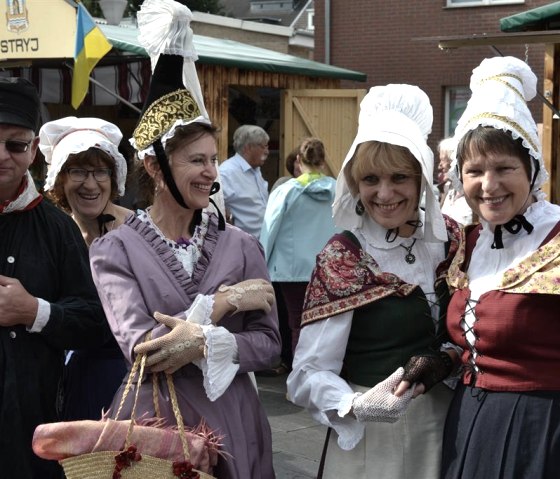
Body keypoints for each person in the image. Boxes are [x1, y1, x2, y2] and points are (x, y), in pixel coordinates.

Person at [89, 1, 280, 477]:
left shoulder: (240, 244)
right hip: (158, 423)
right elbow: (145, 349)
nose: (210, 173)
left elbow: (271, 345)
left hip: (235, 418)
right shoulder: (113, 250)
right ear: (154, 167)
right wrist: (224, 304)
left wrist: (209, 344)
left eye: (214, 159)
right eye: (196, 160)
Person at [286, 84, 461, 478]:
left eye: (399, 177)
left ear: (421, 178)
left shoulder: (452, 239)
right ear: (354, 184)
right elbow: (306, 375)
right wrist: (353, 405)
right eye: (370, 179)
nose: (385, 193)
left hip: (447, 429)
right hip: (372, 442)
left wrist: (446, 358)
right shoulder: (343, 255)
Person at [441, 56, 560, 478]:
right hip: (468, 425)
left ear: (531, 168)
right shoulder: (466, 243)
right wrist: (442, 360)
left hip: (543, 432)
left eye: (505, 168)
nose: (488, 186)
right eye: (474, 171)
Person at [0, 78, 106, 477]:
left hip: (32, 426)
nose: (2, 156)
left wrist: (34, 312)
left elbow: (93, 322)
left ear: (33, 152)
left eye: (15, 145)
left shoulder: (58, 229)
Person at [39, 117, 131, 421]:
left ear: (113, 176)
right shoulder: (52, 235)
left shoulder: (138, 229)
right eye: (77, 171)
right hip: (69, 378)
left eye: (100, 171)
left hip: (132, 379)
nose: (90, 184)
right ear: (59, 180)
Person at [261, 137, 337, 358]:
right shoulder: (338, 191)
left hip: (291, 270)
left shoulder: (285, 191)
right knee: (325, 325)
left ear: (298, 160)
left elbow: (269, 228)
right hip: (329, 268)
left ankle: (297, 385)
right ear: (323, 162)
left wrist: (261, 265)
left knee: (297, 324)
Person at [219, 124, 269, 239]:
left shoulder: (256, 170)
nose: (267, 152)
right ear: (248, 147)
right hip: (243, 246)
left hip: (263, 243)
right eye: (264, 146)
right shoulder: (227, 173)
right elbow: (214, 210)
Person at [438, 137, 474, 226]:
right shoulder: (447, 188)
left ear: (453, 161)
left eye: (442, 160)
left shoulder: (472, 190)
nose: (440, 165)